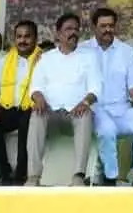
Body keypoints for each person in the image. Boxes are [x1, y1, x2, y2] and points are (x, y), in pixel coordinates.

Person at [79, 8, 133, 186]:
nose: (108, 29)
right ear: (93, 27)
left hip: (121, 110)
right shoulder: (83, 51)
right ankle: (110, 178)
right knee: (107, 130)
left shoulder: (126, 51)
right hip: (95, 110)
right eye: (103, 26)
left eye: (111, 26)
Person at [25, 14, 101, 186]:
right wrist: (39, 99)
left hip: (75, 112)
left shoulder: (89, 57)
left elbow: (96, 88)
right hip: (50, 113)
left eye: (76, 29)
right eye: (68, 29)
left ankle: (78, 176)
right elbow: (35, 87)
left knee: (85, 114)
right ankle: (33, 177)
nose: (73, 33)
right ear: (58, 34)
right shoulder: (46, 58)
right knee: (36, 115)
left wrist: (85, 102)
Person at [0, 20, 42, 185]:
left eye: (27, 37)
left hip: (32, 109)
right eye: (19, 37)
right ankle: (5, 173)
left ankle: (21, 175)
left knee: (26, 121)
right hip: (8, 109)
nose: (22, 41)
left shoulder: (43, 60)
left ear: (36, 38)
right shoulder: (3, 62)